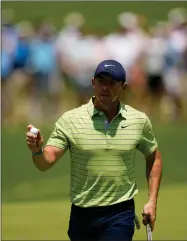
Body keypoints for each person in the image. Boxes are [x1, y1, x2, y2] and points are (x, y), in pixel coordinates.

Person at [26, 60, 162, 241]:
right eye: (101, 81)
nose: (105, 87)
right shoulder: (71, 119)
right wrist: (37, 151)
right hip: (82, 215)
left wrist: (152, 201)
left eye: (112, 82)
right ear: (92, 83)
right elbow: (46, 161)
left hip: (120, 213)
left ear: (123, 86)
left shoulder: (138, 120)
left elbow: (154, 157)